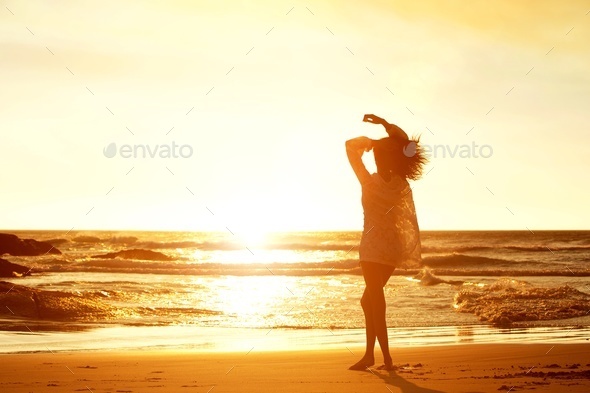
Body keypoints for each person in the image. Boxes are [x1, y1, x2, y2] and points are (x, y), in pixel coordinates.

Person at [346, 114, 427, 371]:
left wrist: (367, 141)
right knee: (368, 301)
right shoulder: (402, 184)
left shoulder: (368, 181)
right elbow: (406, 143)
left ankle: (385, 359)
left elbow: (349, 145)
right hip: (393, 248)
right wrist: (383, 123)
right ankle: (371, 355)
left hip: (371, 248)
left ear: (377, 157)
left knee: (376, 302)